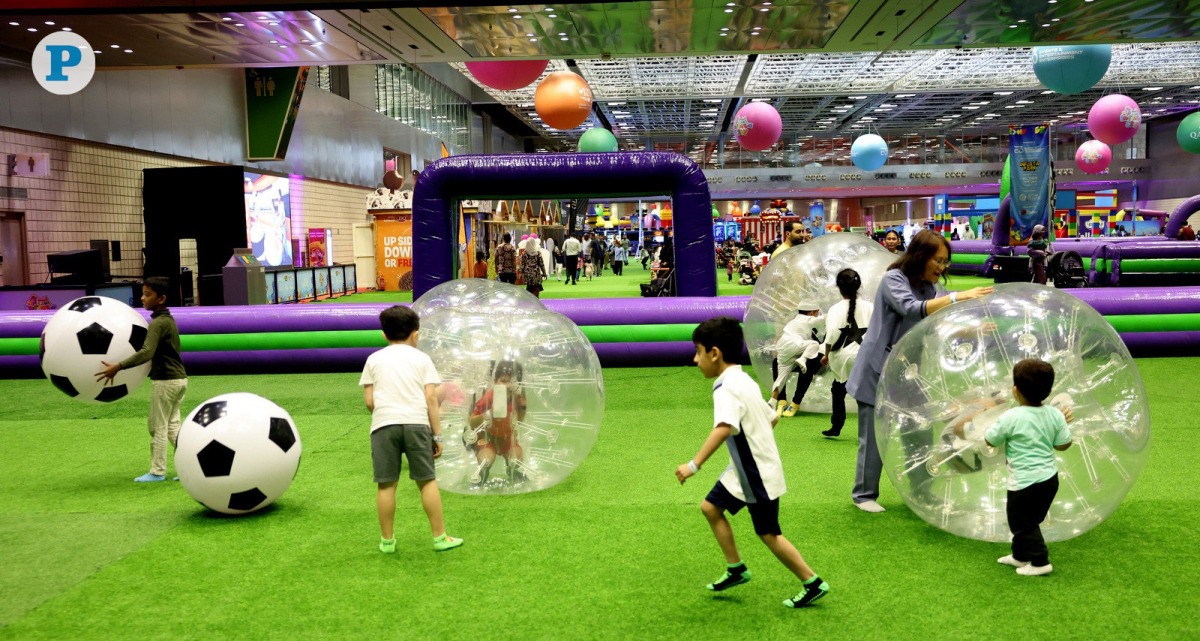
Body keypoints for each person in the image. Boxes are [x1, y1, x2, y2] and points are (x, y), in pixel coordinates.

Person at [675, 317, 830, 608]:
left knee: (769, 533)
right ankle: (736, 568)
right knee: (710, 507)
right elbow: (772, 419)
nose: (695, 360)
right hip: (745, 469)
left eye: (698, 352)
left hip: (756, 473)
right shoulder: (741, 377)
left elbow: (722, 427)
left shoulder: (726, 387)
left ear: (714, 353)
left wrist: (693, 465)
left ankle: (812, 582)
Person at [846, 230, 993, 513]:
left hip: (909, 371)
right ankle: (863, 495)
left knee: (921, 429)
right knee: (876, 435)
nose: (942, 267)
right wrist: (957, 297)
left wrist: (969, 330)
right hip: (877, 369)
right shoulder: (894, 279)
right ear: (921, 257)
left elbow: (932, 325)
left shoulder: (928, 287)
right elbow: (911, 309)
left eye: (945, 262)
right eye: (938, 260)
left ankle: (922, 490)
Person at [358, 305, 462, 554]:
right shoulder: (422, 359)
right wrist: (437, 435)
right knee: (427, 482)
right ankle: (439, 538)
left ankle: (387, 542)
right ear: (416, 334)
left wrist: (386, 414)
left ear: (384, 335)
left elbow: (369, 401)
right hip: (417, 424)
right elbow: (431, 399)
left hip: (383, 426)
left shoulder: (373, 359)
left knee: (386, 485)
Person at [980, 359, 1072, 576]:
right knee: (1030, 520)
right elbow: (1063, 444)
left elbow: (990, 440)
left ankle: (1040, 562)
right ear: (1048, 391)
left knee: (1022, 523)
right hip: (1049, 480)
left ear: (1015, 390)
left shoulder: (1011, 417)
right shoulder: (1055, 414)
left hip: (1024, 483)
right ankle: (1020, 556)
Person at [96, 277, 188, 483]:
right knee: (173, 427)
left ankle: (157, 471)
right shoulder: (168, 320)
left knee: (158, 426)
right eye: (143, 293)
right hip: (179, 379)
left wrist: (117, 367)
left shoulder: (158, 323)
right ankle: (193, 465)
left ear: (161, 298)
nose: (142, 298)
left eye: (148, 295)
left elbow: (146, 352)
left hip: (166, 382)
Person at [820, 269, 872, 438]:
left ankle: (836, 426)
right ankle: (866, 431)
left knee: (838, 390)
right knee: (864, 396)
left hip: (841, 358)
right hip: (864, 356)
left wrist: (826, 355)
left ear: (839, 287)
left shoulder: (835, 309)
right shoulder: (870, 307)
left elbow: (831, 336)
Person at [466, 360, 528, 487]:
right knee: (486, 459)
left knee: (516, 459)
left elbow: (518, 421)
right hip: (488, 438)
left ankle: (512, 471)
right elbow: (472, 422)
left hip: (507, 439)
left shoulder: (517, 398)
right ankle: (483, 472)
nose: (508, 386)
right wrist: (489, 413)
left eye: (512, 382)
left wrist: (522, 408)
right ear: (495, 382)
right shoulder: (489, 397)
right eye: (504, 381)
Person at [767, 305, 825, 418]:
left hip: (806, 353)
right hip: (797, 349)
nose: (817, 315)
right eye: (817, 313)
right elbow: (823, 318)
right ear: (812, 313)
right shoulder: (806, 319)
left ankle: (790, 402)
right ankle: (781, 400)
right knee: (777, 364)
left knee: (806, 365)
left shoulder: (796, 322)